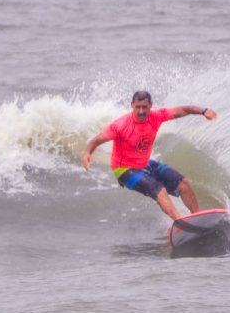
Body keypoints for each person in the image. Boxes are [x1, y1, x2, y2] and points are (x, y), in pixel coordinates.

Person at [82, 90, 217, 221]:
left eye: (144, 107)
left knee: (183, 183)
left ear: (150, 106)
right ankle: (180, 222)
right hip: (124, 170)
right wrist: (88, 153)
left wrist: (204, 111)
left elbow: (183, 110)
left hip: (144, 163)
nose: (141, 111)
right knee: (158, 189)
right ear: (132, 105)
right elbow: (96, 140)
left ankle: (197, 217)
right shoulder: (120, 125)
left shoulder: (156, 116)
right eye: (138, 107)